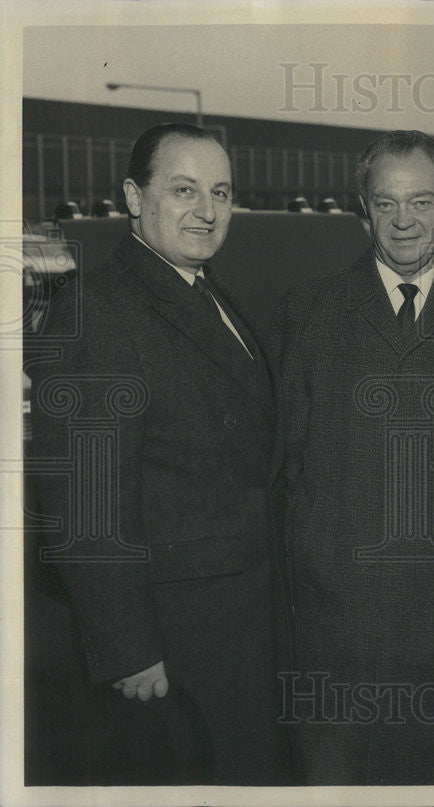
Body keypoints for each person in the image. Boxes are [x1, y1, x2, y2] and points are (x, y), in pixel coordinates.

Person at [271, 130, 434, 785]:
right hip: (339, 626)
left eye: (420, 200)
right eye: (386, 202)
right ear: (363, 208)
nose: (403, 220)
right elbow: (283, 467)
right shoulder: (309, 313)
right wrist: (316, 559)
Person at [27, 123, 288, 784]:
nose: (207, 210)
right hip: (175, 645)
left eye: (221, 192)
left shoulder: (203, 290)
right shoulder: (101, 311)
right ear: (133, 196)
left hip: (236, 623)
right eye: (183, 190)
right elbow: (85, 503)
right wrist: (128, 651)